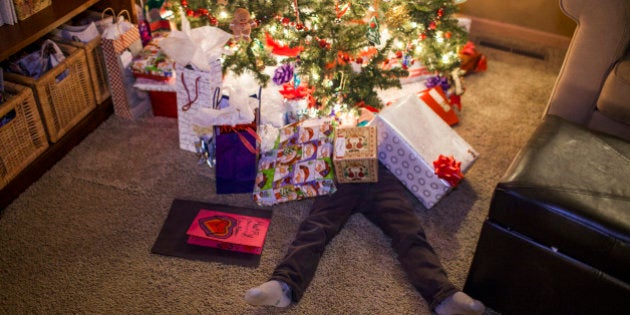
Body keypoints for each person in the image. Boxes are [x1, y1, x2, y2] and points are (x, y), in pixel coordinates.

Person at [245, 163, 485, 315]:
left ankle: (442, 294)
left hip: (384, 174)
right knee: (316, 227)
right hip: (341, 172)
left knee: (409, 230)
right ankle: (284, 285)